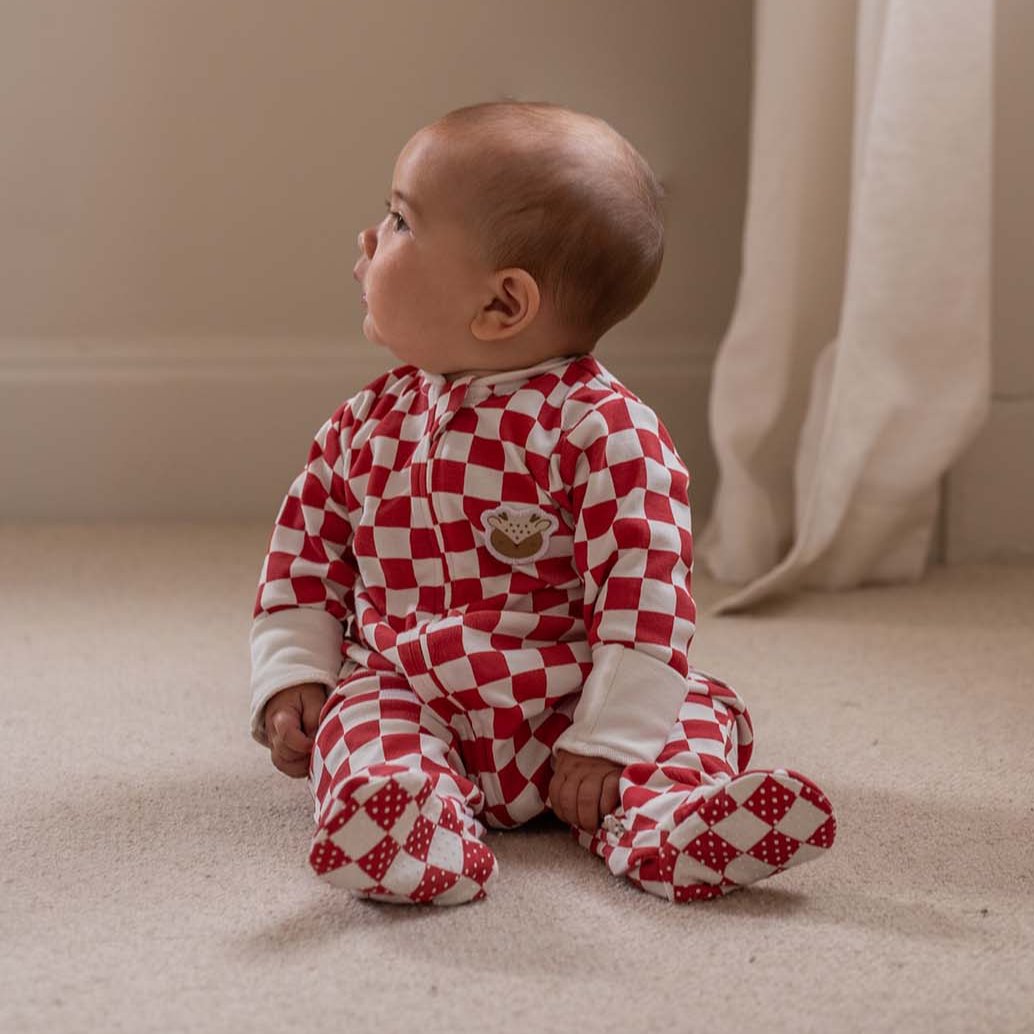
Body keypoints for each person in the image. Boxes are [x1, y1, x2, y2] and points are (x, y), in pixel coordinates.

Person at [249, 100, 836, 906]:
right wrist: (294, 676)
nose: (367, 238)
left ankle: (674, 823)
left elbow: (646, 591)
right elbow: (304, 558)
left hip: (573, 701)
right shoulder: (365, 425)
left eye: (399, 221)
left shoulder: (602, 432)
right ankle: (415, 830)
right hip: (416, 693)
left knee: (690, 713)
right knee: (363, 724)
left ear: (502, 306)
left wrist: (611, 736)